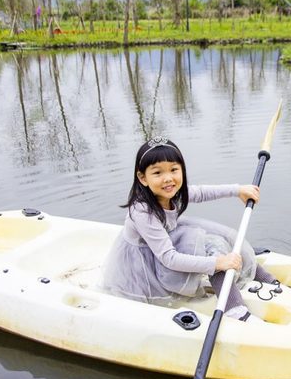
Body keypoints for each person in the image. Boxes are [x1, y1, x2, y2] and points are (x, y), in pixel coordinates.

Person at [102, 136, 279, 322]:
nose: (168, 178)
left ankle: (259, 274)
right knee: (213, 248)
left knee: (220, 237)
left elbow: (202, 192)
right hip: (148, 264)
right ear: (142, 178)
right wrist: (216, 263)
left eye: (174, 170)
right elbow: (169, 259)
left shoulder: (173, 191)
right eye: (157, 173)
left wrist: (238, 190)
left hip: (168, 238)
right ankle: (234, 309)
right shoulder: (142, 211)